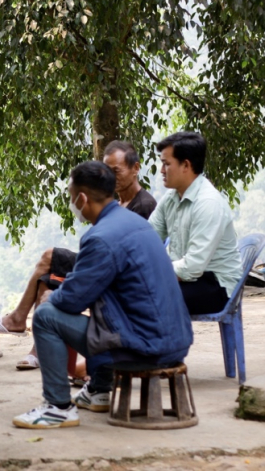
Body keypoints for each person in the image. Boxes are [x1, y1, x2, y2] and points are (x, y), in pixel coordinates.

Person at [12, 161, 192, 429]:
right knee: (102, 316)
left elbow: (73, 299)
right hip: (175, 341)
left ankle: (58, 407)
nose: (73, 204)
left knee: (47, 316)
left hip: (146, 348)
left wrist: (50, 297)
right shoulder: (136, 222)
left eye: (72, 198)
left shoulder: (100, 237)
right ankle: (99, 390)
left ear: (82, 198)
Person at [0, 140, 157, 370]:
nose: (112, 178)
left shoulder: (143, 204)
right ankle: (36, 349)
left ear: (136, 168)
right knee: (47, 280)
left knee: (49, 257)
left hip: (115, 267)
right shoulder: (118, 202)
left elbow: (124, 250)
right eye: (107, 172)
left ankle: (19, 321)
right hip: (104, 259)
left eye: (117, 171)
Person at [149, 131, 242, 314]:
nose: (161, 170)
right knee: (130, 292)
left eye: (166, 164)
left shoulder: (208, 203)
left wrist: (153, 272)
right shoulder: (171, 198)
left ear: (186, 165)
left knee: (147, 300)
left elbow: (192, 267)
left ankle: (172, 342)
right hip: (189, 278)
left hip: (216, 285)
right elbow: (147, 237)